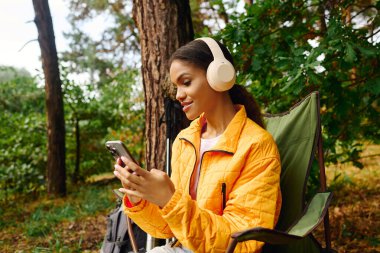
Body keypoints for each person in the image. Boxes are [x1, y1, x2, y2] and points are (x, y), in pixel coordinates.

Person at [113, 37, 282, 253]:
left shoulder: (257, 146)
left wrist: (169, 199)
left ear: (219, 76)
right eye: (176, 86)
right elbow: (168, 228)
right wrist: (140, 198)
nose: (178, 95)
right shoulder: (185, 140)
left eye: (186, 82)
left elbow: (243, 240)